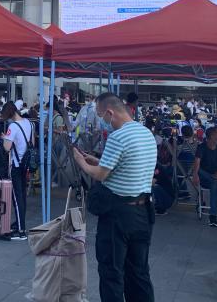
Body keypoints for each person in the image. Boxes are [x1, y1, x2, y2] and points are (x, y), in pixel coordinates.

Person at [72, 93, 157, 302]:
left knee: (111, 272)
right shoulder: (145, 133)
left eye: (100, 116)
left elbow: (101, 174)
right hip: (143, 212)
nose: (101, 121)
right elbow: (128, 165)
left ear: (110, 113)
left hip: (118, 215)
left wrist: (81, 161)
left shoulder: (118, 137)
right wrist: (98, 160)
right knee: (139, 272)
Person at [1, 101, 33, 241]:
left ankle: (21, 231)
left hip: (16, 164)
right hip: (26, 164)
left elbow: (6, 147)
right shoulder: (29, 123)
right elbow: (31, 142)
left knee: (17, 198)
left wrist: (5, 138)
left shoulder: (13, 126)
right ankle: (20, 224)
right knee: (22, 197)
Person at [192, 126, 217, 228]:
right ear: (212, 136)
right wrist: (195, 175)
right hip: (205, 177)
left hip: (216, 177)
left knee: (214, 185)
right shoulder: (202, 147)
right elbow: (197, 163)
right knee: (201, 171)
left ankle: (213, 216)